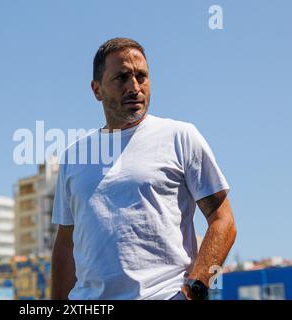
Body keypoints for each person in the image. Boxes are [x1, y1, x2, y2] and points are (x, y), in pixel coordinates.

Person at [50, 37, 237, 300]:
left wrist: (197, 285)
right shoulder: (74, 156)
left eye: (142, 76)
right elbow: (65, 244)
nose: (135, 87)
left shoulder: (180, 136)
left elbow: (223, 219)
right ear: (96, 90)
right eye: (122, 77)